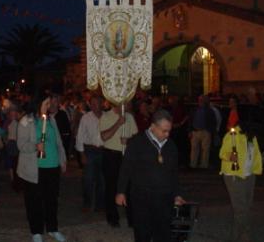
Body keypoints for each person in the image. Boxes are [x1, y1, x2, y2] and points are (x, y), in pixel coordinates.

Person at [115, 109, 186, 242]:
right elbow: (126, 168)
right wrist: (121, 191)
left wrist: (177, 194)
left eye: (169, 130)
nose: (167, 134)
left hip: (164, 197)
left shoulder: (171, 146)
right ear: (153, 126)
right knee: (143, 232)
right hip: (142, 196)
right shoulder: (137, 142)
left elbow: (174, 173)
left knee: (163, 232)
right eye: (164, 130)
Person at [17, 97, 67, 242]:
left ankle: (52, 228)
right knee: (34, 201)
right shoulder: (27, 121)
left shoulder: (51, 120)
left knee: (51, 199)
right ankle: (36, 231)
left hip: (52, 165)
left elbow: (58, 142)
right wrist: (35, 146)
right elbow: (21, 145)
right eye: (46, 103)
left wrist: (62, 159)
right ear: (38, 105)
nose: (49, 105)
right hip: (35, 168)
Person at [219, 121, 262, 242]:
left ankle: (238, 235)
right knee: (241, 208)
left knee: (246, 206)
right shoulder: (232, 135)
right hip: (234, 175)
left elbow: (255, 154)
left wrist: (256, 169)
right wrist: (229, 156)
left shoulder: (251, 137)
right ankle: (243, 235)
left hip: (249, 175)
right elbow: (222, 153)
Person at [100, 102, 138, 227]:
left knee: (129, 186)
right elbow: (104, 137)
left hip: (126, 155)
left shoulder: (130, 117)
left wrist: (129, 141)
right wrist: (118, 123)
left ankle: (132, 218)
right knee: (111, 186)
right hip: (111, 155)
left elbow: (136, 137)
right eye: (124, 102)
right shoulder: (105, 116)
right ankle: (113, 218)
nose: (127, 105)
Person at [75, 95, 104, 212]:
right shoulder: (86, 118)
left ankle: (100, 205)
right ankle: (87, 203)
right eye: (92, 103)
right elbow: (80, 136)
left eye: (97, 103)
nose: (95, 106)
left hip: (103, 150)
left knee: (102, 180)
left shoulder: (106, 116)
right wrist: (82, 154)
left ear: (102, 104)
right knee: (88, 179)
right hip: (90, 150)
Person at [189, 95, 217, 169]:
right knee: (194, 148)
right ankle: (193, 164)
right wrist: (190, 130)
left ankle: (204, 165)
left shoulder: (210, 111)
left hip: (206, 131)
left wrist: (210, 131)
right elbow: (191, 120)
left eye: (202, 100)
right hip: (195, 131)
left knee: (205, 149)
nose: (200, 101)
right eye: (199, 100)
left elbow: (213, 122)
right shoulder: (195, 110)